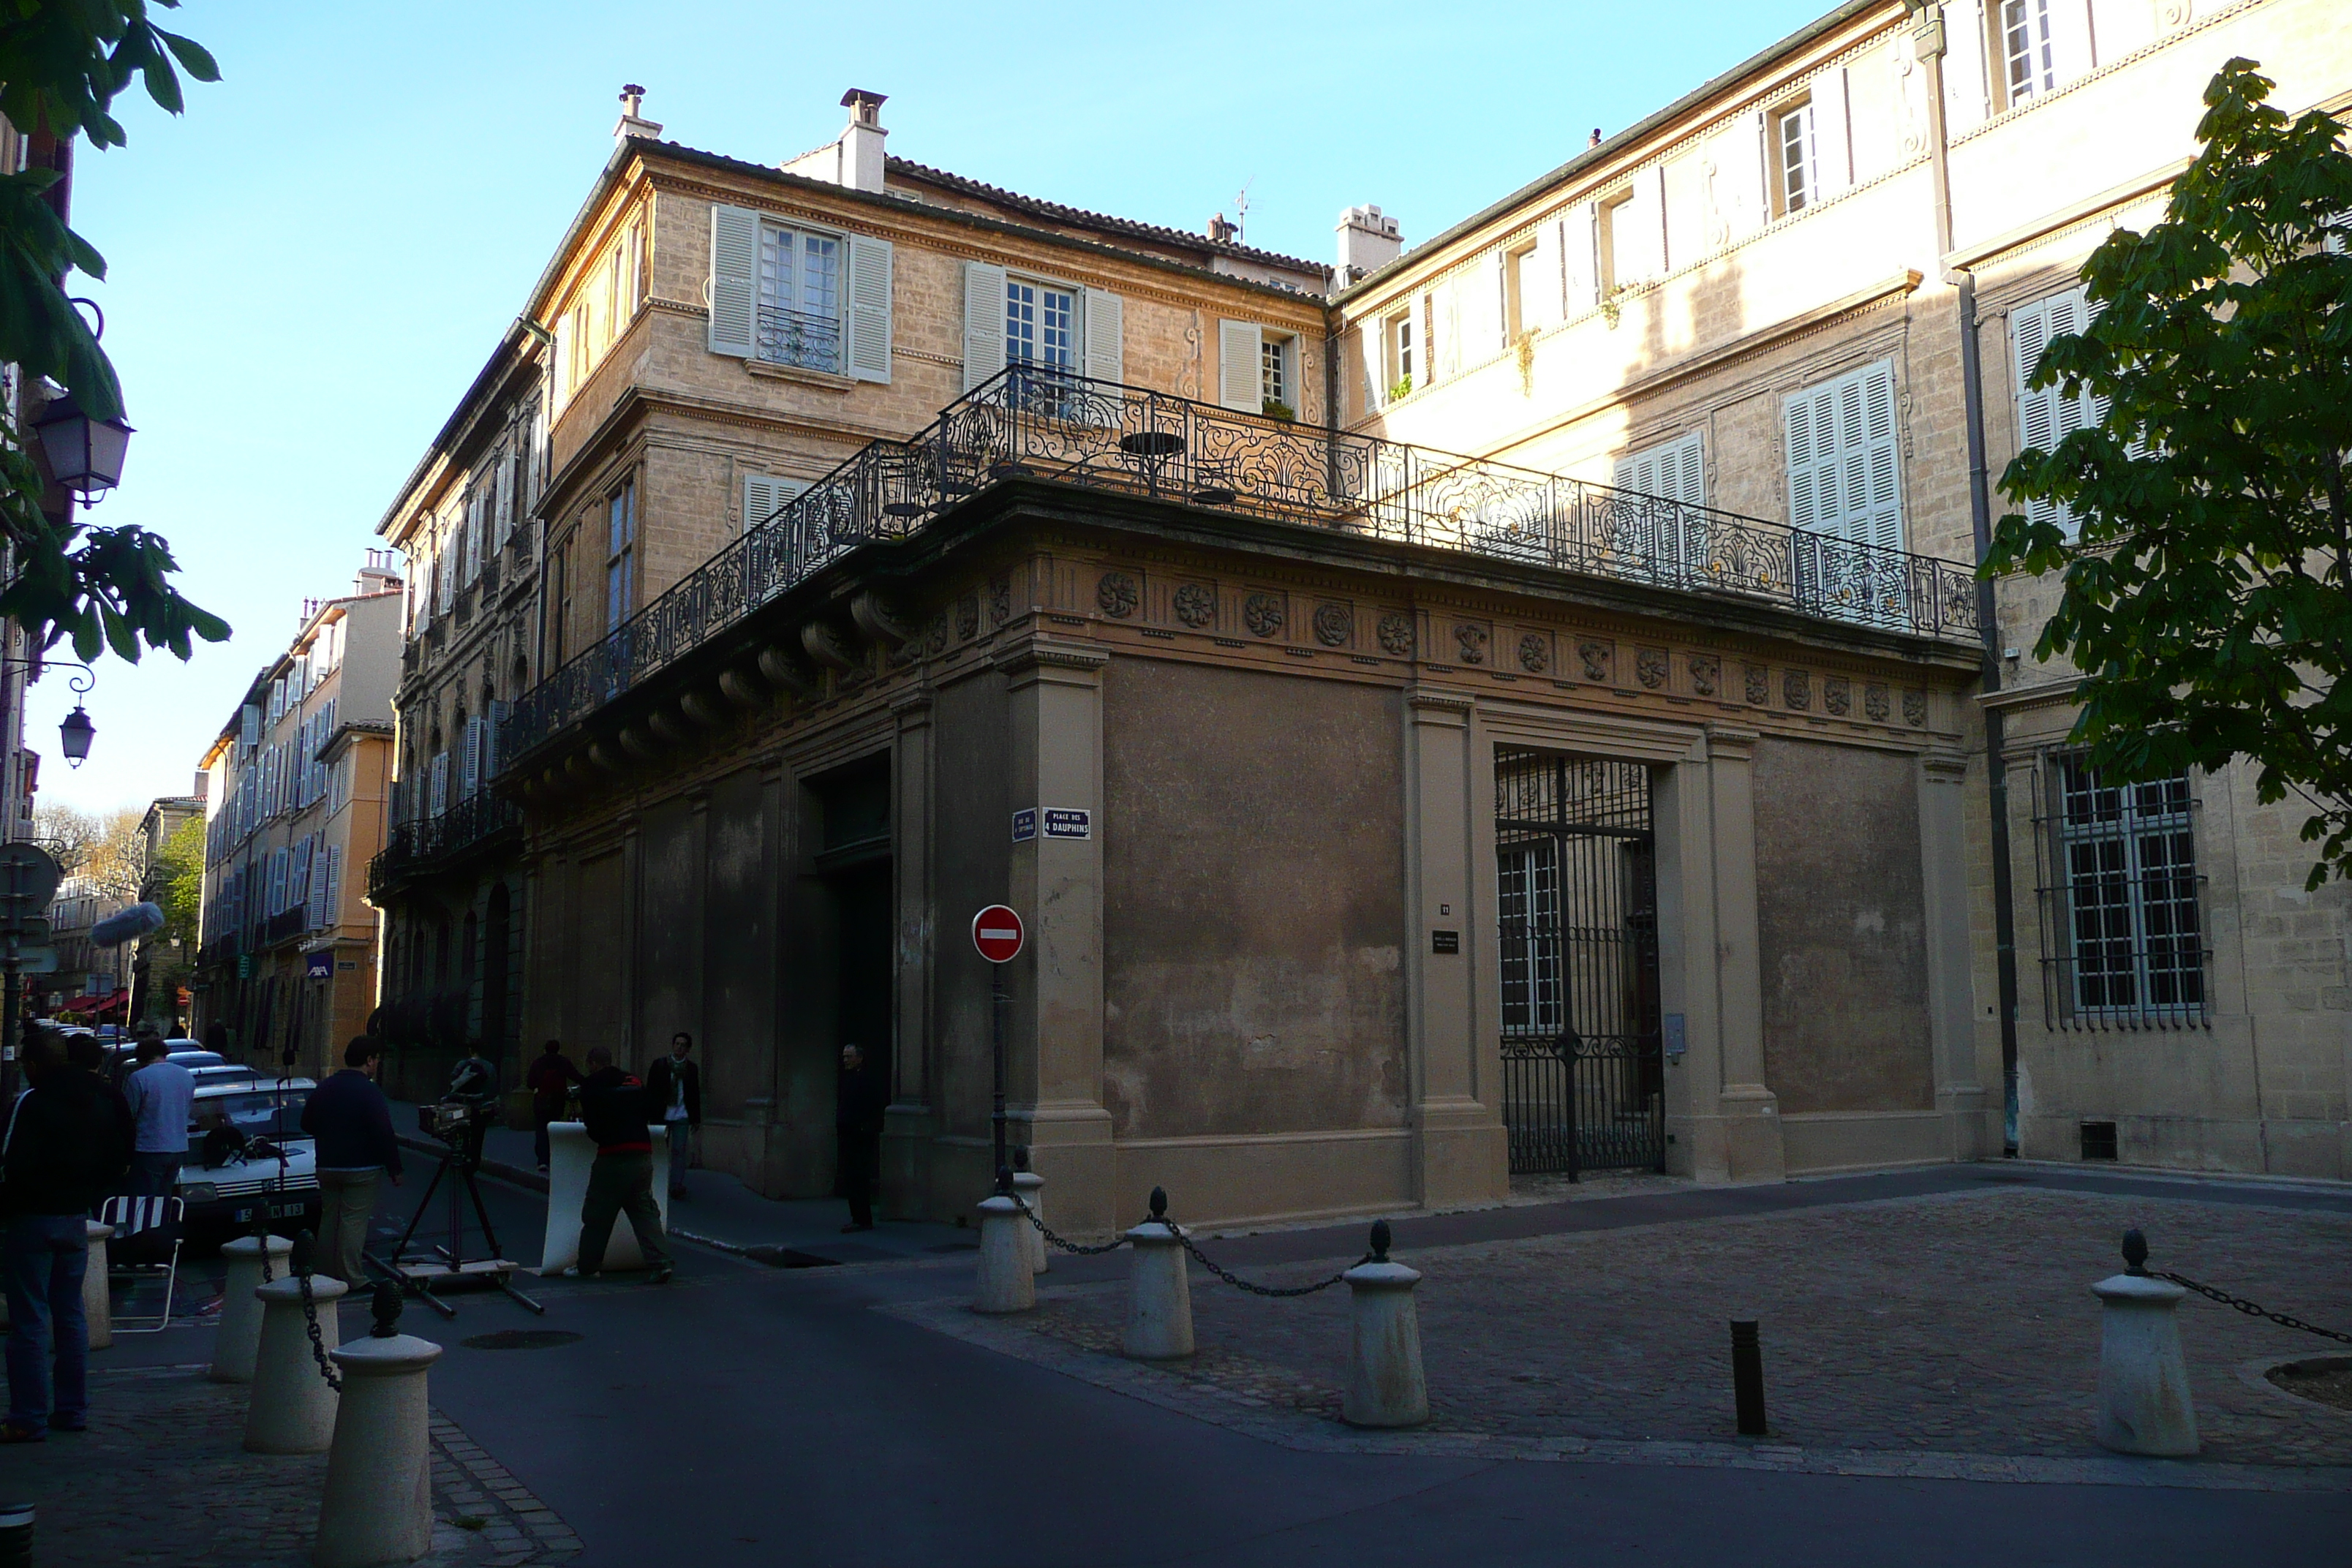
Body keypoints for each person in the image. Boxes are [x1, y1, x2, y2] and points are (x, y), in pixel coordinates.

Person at [1, 1028, 132, 1441]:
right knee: (70, 1315)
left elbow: (6, 1160)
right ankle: (73, 1409)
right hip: (76, 1216)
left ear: (34, 1065)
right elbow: (120, 1153)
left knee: (30, 1320)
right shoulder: (101, 1098)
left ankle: (29, 1416)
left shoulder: (30, 1102)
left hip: (31, 1218)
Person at [299, 1039, 404, 1286]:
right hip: (361, 1167)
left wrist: (329, 1134)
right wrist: (395, 1169)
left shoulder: (325, 1087)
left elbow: (306, 1123)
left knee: (329, 1220)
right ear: (368, 1061)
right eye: (376, 1059)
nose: (377, 1063)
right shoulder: (369, 1091)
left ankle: (324, 1273)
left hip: (327, 1164)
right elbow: (383, 1132)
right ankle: (351, 1276)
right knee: (352, 1222)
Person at [575, 1047, 671, 1283]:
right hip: (642, 1153)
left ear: (593, 1063)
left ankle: (588, 1266)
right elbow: (651, 1109)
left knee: (598, 1213)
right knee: (644, 1211)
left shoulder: (591, 1084)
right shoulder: (633, 1080)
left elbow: (593, 1126)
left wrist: (603, 1135)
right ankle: (661, 1263)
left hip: (613, 1155)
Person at [119, 1038, 195, 1197]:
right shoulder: (186, 1075)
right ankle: (162, 1222)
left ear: (141, 1058)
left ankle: (144, 1223)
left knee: (143, 1201)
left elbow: (128, 1114)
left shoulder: (139, 1077)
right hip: (179, 1146)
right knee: (165, 1198)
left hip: (149, 1147)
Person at [641, 1033, 701, 1201]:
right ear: (673, 1045)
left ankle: (676, 1185)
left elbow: (694, 1093)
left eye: (683, 1045)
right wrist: (648, 1114)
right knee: (660, 1150)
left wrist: (696, 1118)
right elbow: (651, 1092)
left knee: (679, 1150)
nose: (679, 1047)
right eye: (677, 1044)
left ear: (688, 1049)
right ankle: (656, 1183)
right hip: (662, 1114)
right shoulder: (660, 1065)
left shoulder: (691, 1068)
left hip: (682, 1115)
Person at [834, 1044, 885, 1235]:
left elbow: (872, 1106)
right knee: (852, 1177)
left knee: (858, 1177)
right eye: (844, 1056)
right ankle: (858, 1217)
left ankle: (862, 1218)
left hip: (859, 1136)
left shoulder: (865, 1079)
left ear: (860, 1058)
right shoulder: (849, 1079)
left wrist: (864, 1128)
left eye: (849, 1056)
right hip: (850, 1134)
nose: (845, 1060)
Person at [524, 1040, 583, 1173]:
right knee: (554, 1127)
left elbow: (530, 1083)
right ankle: (552, 1157)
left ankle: (542, 1161)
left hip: (541, 1100)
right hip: (558, 1100)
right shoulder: (563, 1062)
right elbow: (576, 1076)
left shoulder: (538, 1063)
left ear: (545, 1049)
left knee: (541, 1129)